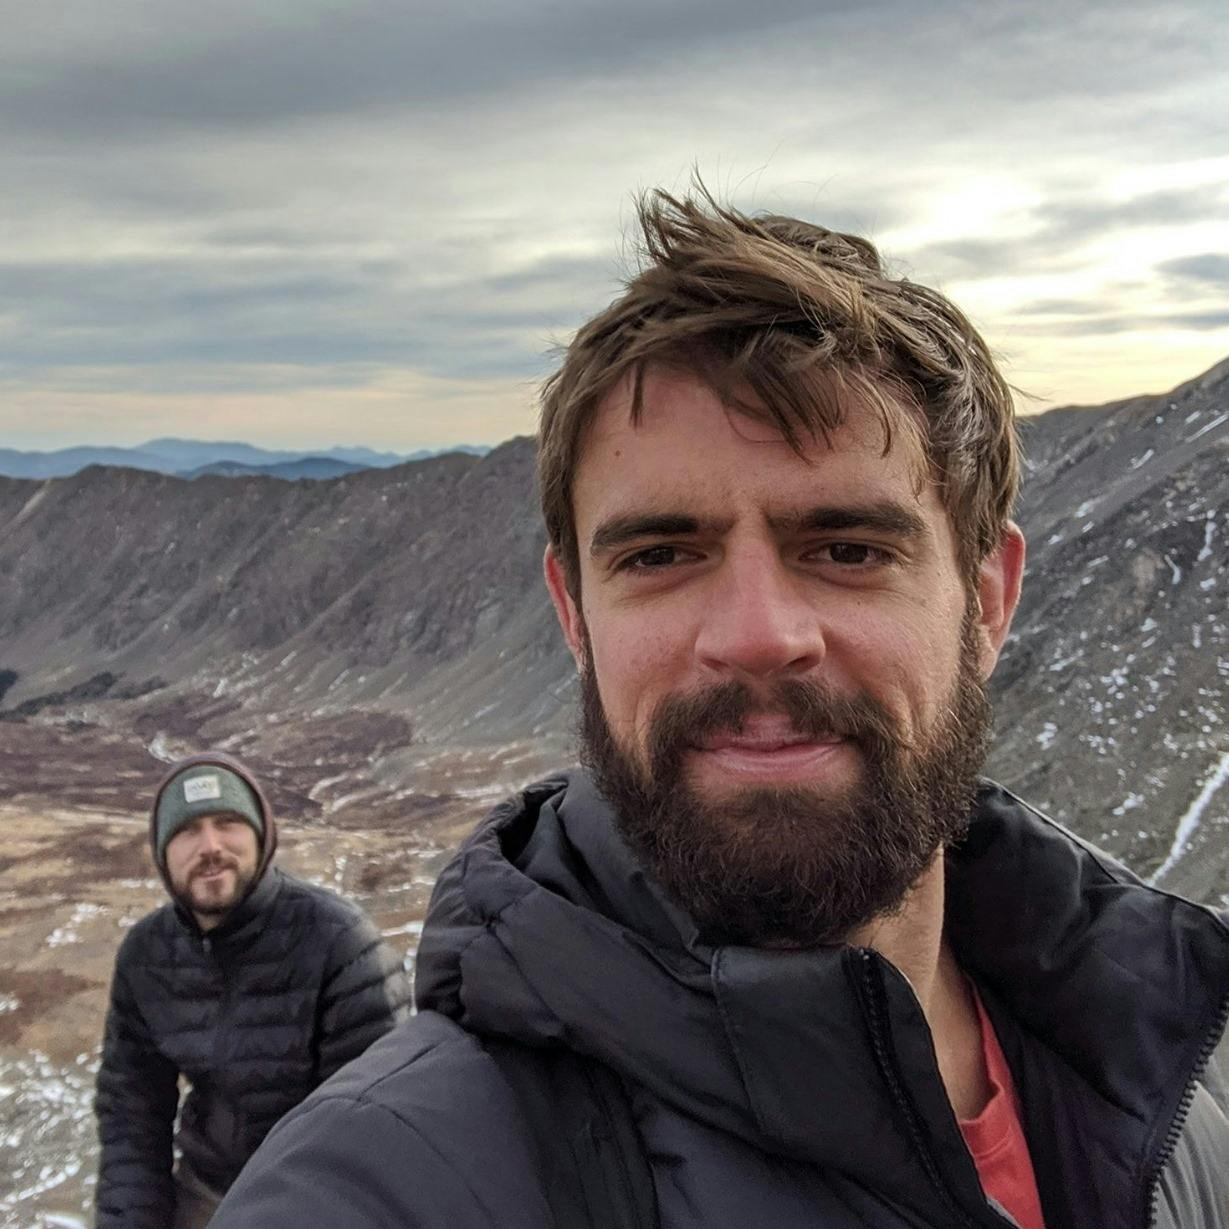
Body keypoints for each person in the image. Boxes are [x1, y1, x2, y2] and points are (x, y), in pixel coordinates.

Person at [212, 191, 1229, 1228]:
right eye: (660, 555)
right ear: (574, 613)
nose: (753, 633)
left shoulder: (1184, 1067)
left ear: (987, 598)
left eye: (846, 549)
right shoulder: (388, 1184)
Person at [93, 751, 412, 1229]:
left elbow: (369, 1127)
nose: (210, 845)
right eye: (187, 830)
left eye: (227, 822)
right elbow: (132, 1118)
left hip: (315, 1199)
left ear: (262, 834)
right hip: (207, 1190)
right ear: (162, 853)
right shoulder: (147, 954)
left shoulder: (339, 942)